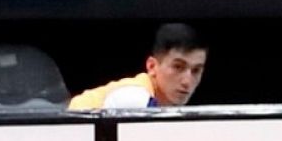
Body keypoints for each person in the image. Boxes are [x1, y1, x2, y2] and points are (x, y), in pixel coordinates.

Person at [68, 23, 208, 109]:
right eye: (178, 67)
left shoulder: (159, 103)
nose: (187, 81)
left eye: (196, 70)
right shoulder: (134, 98)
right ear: (152, 66)